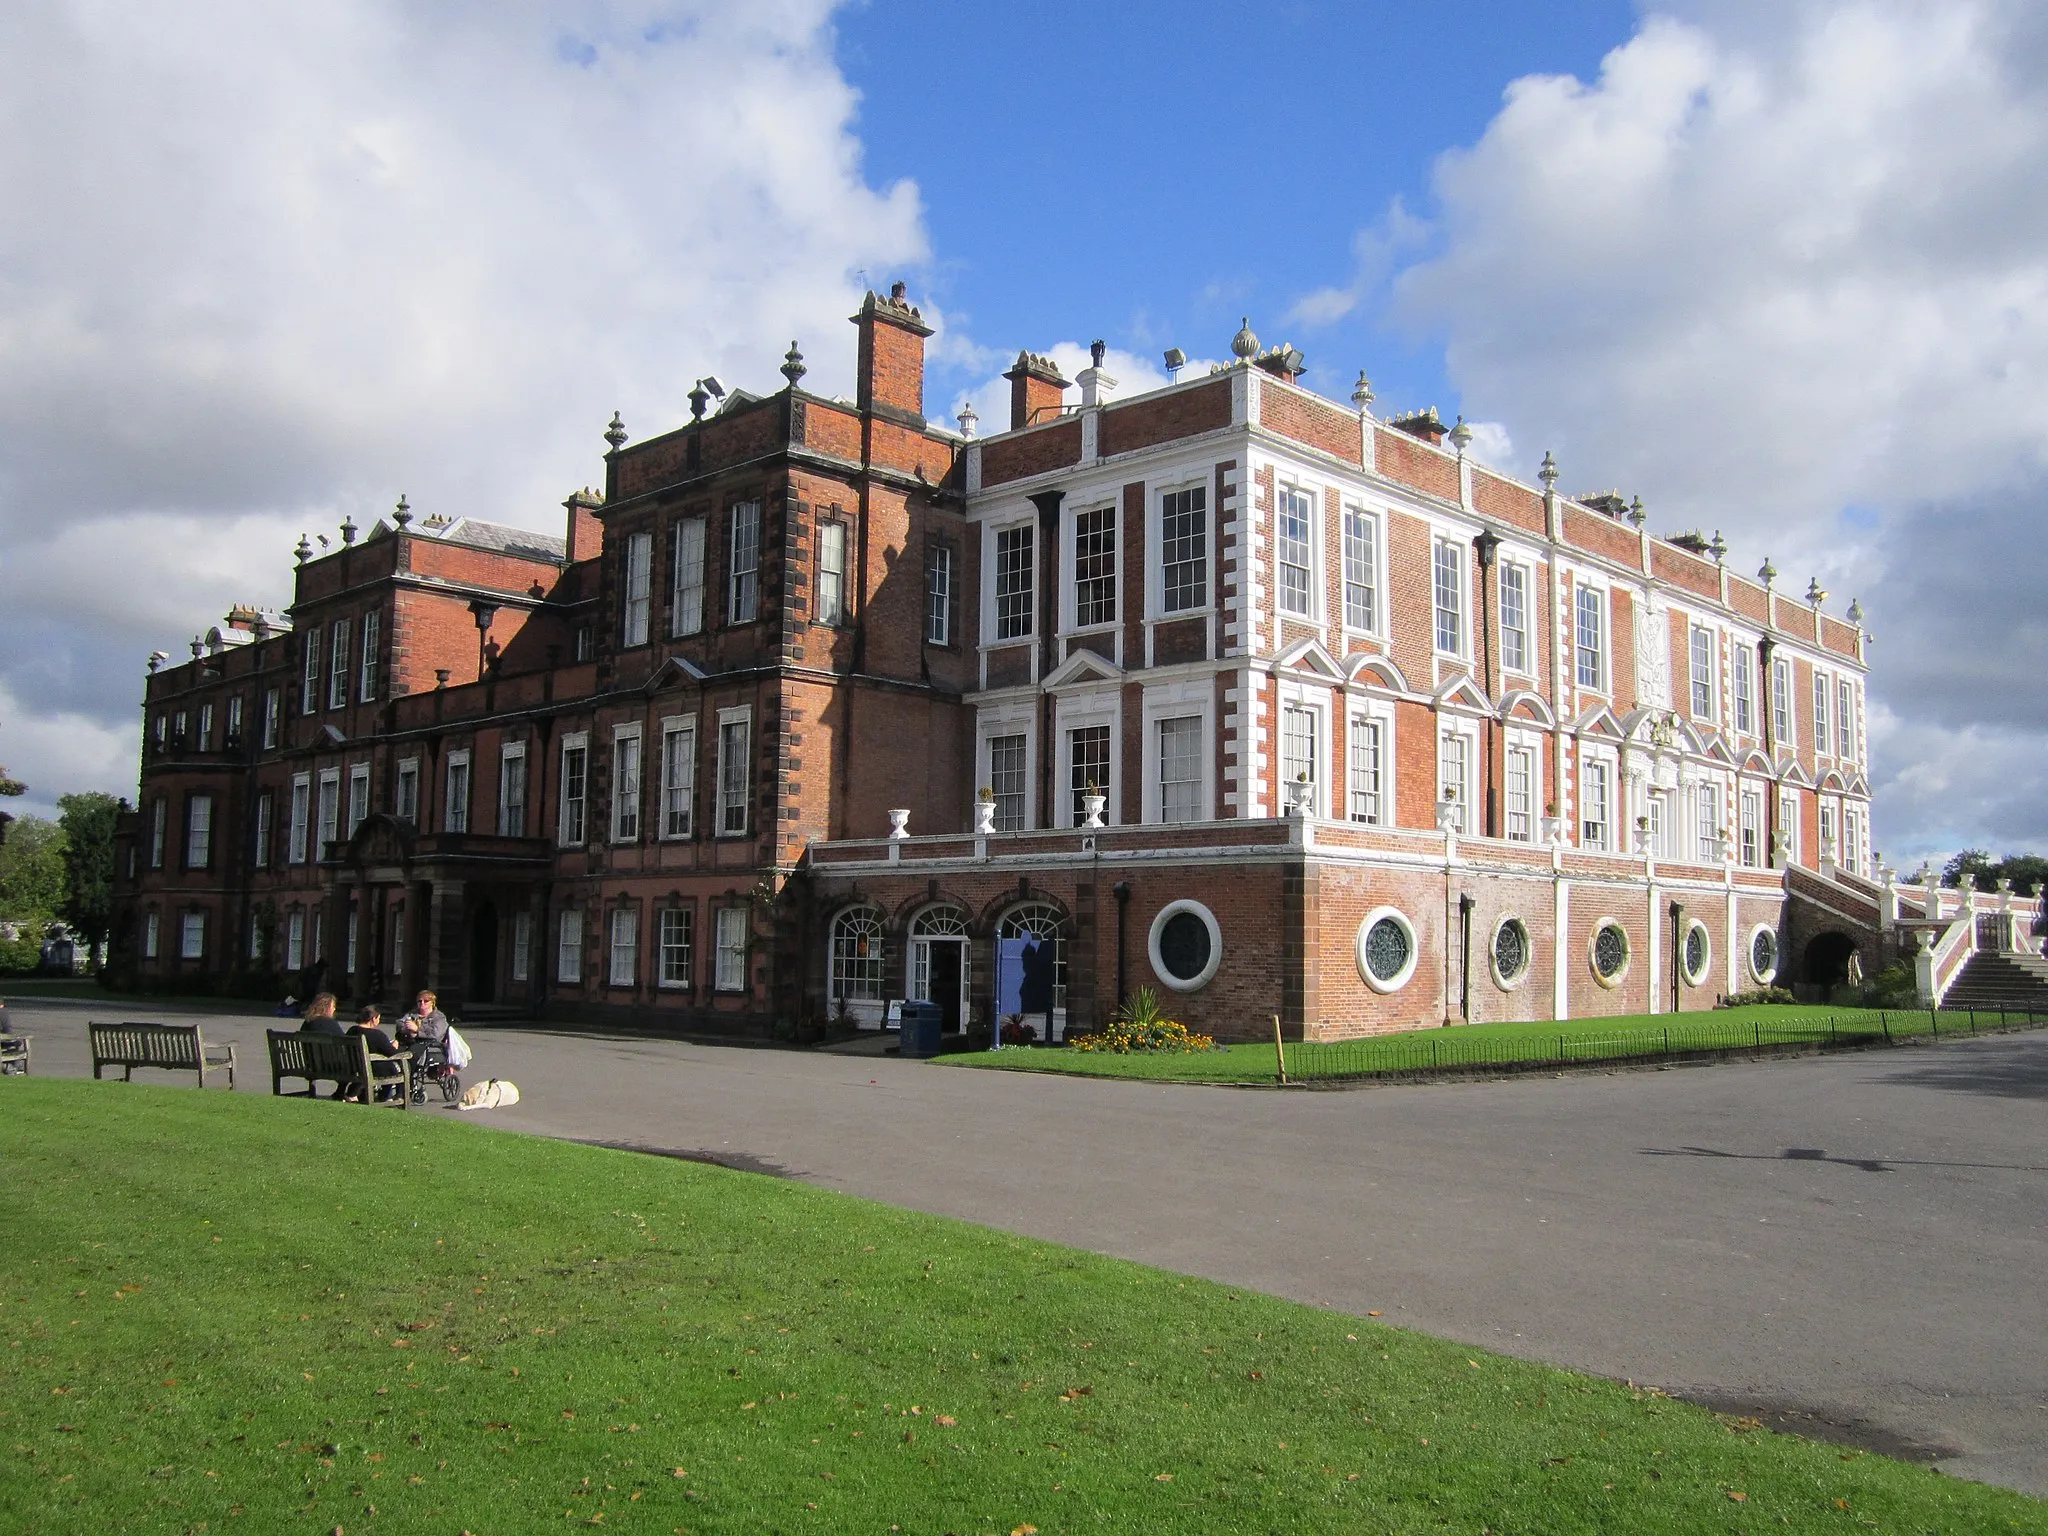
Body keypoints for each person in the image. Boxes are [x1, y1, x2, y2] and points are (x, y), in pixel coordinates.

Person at [346, 1004, 407, 1102]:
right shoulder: (377, 1035)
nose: (379, 1021)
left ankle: (354, 1092)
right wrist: (394, 1046)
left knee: (387, 1066)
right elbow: (391, 1053)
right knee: (392, 1068)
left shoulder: (352, 1030)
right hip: (370, 1068)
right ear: (374, 1018)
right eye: (379, 1018)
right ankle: (388, 1096)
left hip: (354, 1067)